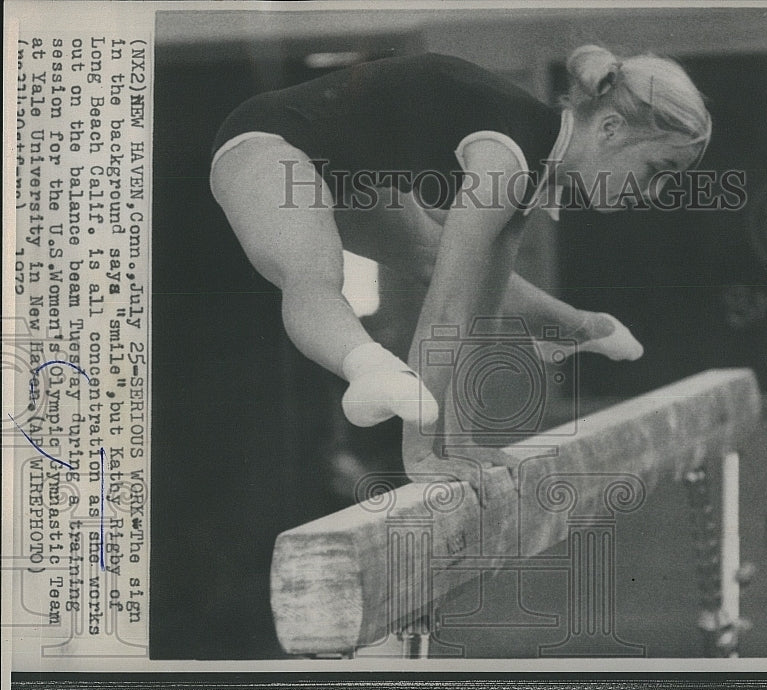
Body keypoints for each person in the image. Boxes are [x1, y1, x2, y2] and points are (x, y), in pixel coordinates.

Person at [210, 45, 712, 488]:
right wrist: (422, 454)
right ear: (610, 128)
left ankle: (573, 326)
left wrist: (465, 439)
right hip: (268, 144)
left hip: (354, 173)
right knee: (314, 270)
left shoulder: (534, 169)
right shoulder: (507, 162)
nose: (656, 193)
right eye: (658, 170)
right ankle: (368, 368)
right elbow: (448, 310)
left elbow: (481, 311)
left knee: (437, 258)